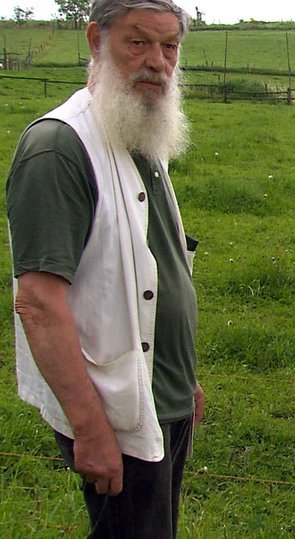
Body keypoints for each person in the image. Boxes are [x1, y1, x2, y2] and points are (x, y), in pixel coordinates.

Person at [6, 1, 203, 537]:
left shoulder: (140, 133)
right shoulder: (58, 150)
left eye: (169, 46)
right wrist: (89, 427)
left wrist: (183, 379)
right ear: (96, 39)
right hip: (114, 410)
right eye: (137, 43)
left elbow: (151, 267)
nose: (157, 61)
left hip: (163, 394)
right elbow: (38, 303)